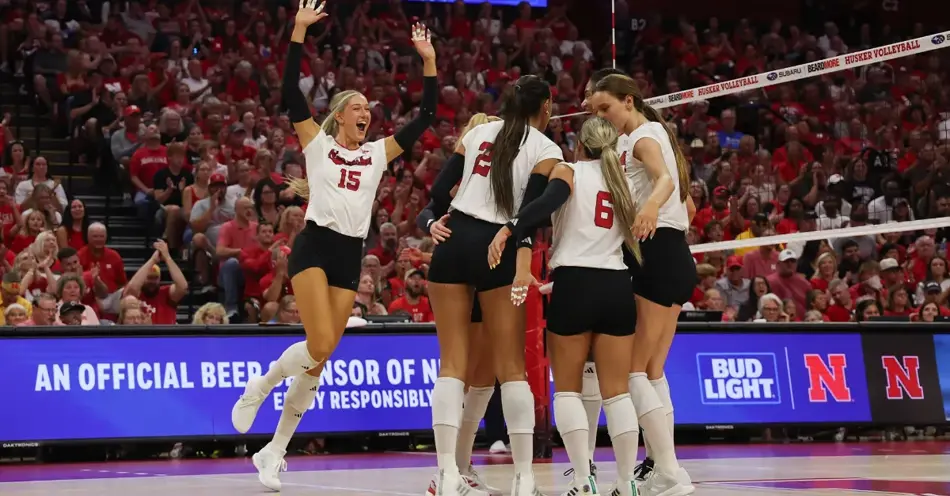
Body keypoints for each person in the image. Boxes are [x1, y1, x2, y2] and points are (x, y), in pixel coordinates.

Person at [229, 1, 438, 492]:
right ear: (340, 115)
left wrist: (427, 59)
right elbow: (288, 94)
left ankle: (275, 450)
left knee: (320, 359)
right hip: (316, 246)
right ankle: (260, 386)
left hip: (350, 252)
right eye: (358, 108)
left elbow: (426, 114)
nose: (367, 113)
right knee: (320, 344)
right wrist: (299, 31)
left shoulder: (378, 154)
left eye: (370, 109)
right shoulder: (316, 144)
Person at [425, 75, 562, 496]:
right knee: (512, 368)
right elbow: (530, 215)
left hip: (454, 241)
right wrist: (515, 250)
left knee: (452, 366)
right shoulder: (546, 148)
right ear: (546, 107)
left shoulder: (479, 130)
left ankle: (447, 475)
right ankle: (523, 479)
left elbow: (436, 189)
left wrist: (434, 221)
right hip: (496, 246)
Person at [502, 117, 644, 495]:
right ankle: (628, 483)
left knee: (567, 391)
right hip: (616, 284)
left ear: (580, 145)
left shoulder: (569, 170)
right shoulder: (625, 180)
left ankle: (583, 481)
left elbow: (546, 204)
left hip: (575, 283)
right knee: (618, 393)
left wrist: (514, 224)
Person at [588, 73, 695, 495]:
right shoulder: (651, 135)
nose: (602, 117)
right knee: (651, 372)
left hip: (657, 255)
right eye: (595, 111)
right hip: (672, 254)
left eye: (605, 108)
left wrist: (648, 207)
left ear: (628, 101)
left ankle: (666, 470)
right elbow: (685, 198)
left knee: (632, 372)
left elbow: (667, 185)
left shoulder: (642, 137)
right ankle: (666, 469)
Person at [419, 113, 504, 496]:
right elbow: (430, 206)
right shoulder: (463, 178)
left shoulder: (498, 176)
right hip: (461, 264)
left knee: (484, 374)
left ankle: (462, 463)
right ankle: (447, 470)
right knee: (458, 369)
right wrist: (431, 223)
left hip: (485, 262)